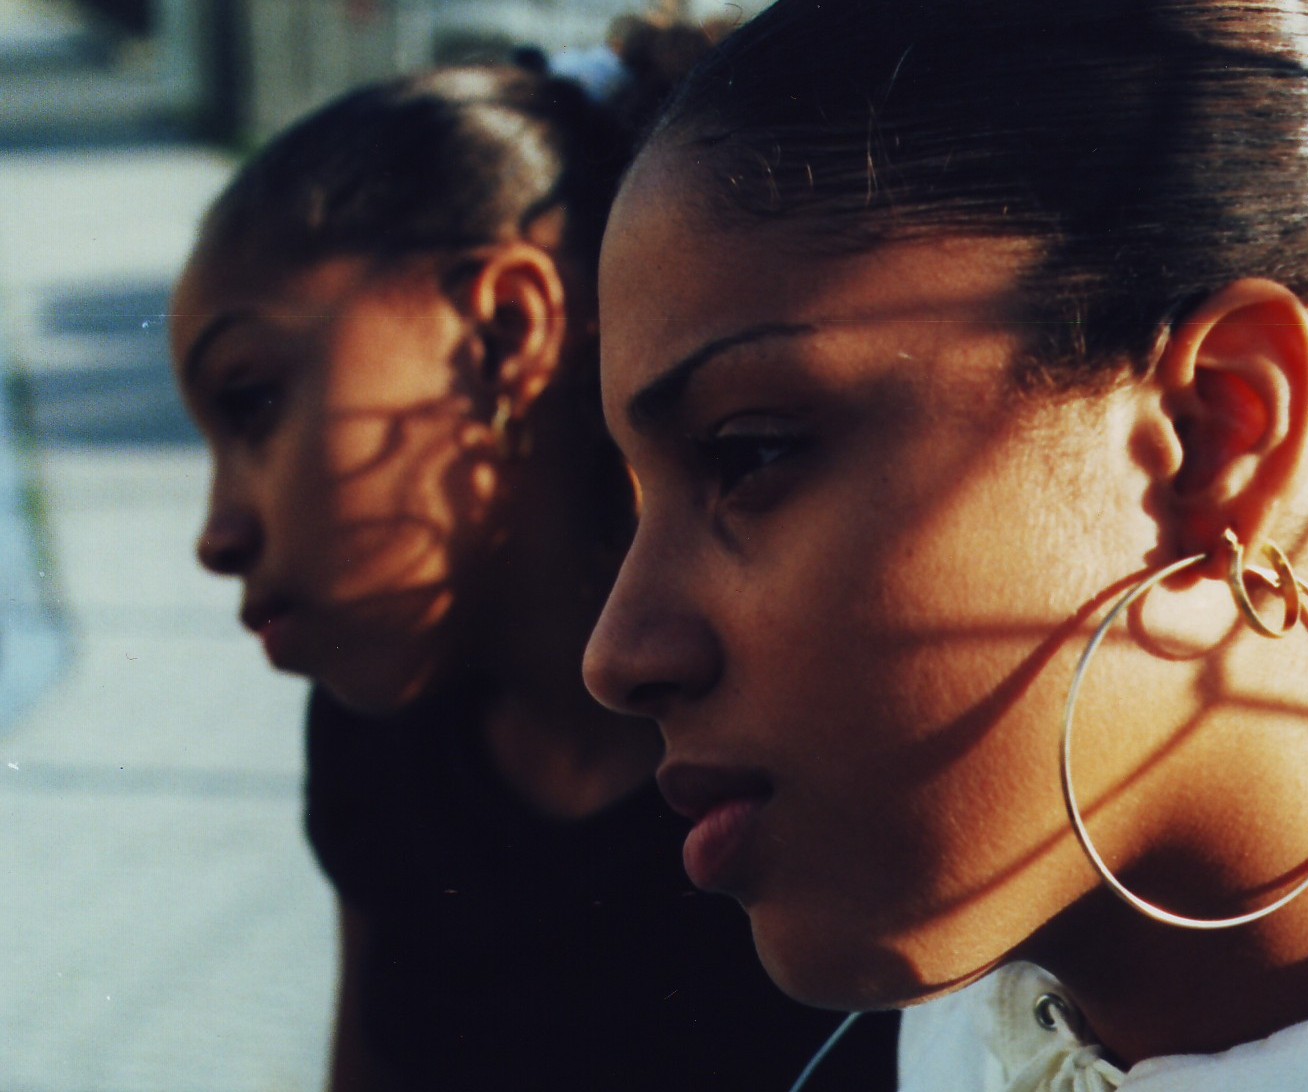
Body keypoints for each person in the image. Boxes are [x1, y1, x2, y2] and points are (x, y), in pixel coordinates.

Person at [582, 0, 1308, 1087]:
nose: (618, 655)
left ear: (1217, 433)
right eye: (636, 507)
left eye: (751, 454)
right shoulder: (974, 1039)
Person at [170, 30, 896, 1092]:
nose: (215, 535)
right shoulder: (378, 747)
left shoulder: (811, 736)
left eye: (252, 402)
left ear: (505, 332)